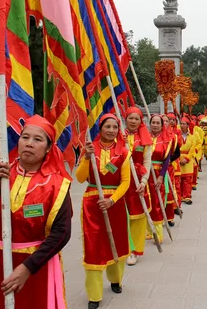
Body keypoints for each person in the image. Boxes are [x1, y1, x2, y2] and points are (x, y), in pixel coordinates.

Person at [0, 115, 71, 308]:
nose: (29, 143)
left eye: (37, 139)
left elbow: (61, 234)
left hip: (36, 266)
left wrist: (27, 268)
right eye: (25, 137)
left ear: (48, 148)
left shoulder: (57, 185)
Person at [75, 114, 131, 309]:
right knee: (93, 247)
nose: (111, 130)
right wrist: (86, 158)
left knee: (117, 242)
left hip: (114, 203)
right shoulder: (90, 150)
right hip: (92, 203)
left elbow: (126, 182)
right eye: (107, 126)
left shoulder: (124, 152)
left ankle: (116, 279)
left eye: (115, 127)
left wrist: (112, 200)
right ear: (100, 128)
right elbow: (80, 178)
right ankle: (94, 295)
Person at [123, 107, 152, 267]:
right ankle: (124, 247)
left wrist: (144, 181)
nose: (133, 121)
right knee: (122, 215)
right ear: (125, 119)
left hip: (138, 181)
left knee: (138, 217)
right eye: (130, 118)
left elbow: (147, 162)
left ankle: (135, 250)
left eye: (136, 119)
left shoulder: (144, 139)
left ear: (141, 121)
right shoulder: (119, 136)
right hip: (121, 180)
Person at [147, 114, 175, 241]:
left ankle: (158, 233)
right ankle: (148, 230)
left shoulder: (166, 140)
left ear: (162, 125)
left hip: (158, 173)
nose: (155, 125)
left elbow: (166, 160)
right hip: (144, 173)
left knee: (157, 202)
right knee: (145, 201)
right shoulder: (144, 137)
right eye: (153, 122)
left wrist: (161, 176)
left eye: (158, 123)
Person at [178, 117, 197, 204]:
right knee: (179, 179)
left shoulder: (192, 137)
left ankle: (187, 196)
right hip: (178, 159)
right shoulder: (176, 135)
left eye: (184, 124)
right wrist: (178, 158)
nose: (182, 125)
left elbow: (192, 149)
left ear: (188, 125)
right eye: (181, 123)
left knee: (188, 179)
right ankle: (180, 196)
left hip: (188, 161)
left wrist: (186, 158)